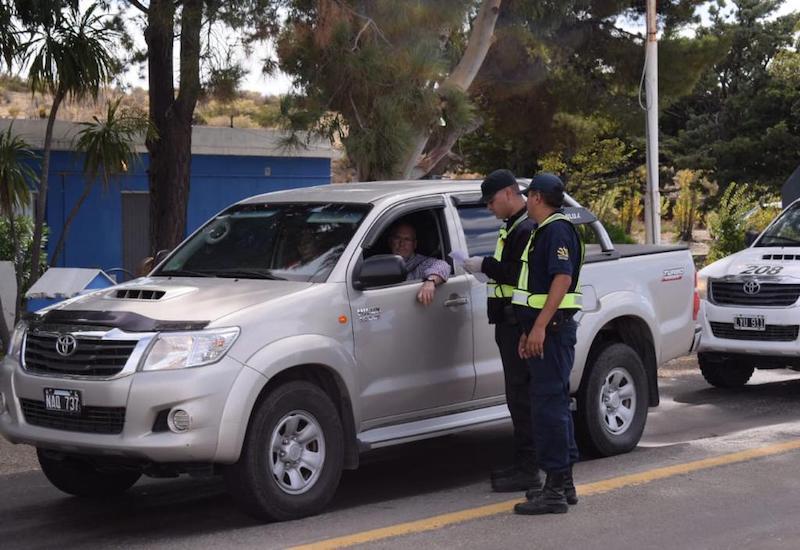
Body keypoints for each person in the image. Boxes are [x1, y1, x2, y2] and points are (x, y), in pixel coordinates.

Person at [462, 169, 540, 493]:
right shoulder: (512, 225)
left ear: (509, 193)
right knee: (517, 398)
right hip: (509, 324)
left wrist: (482, 265)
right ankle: (525, 464)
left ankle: (530, 469)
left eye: (492, 201)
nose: (489, 208)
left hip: (517, 325)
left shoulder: (524, 228)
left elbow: (512, 273)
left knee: (523, 399)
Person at [511, 172, 584, 515]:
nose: (525, 202)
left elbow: (562, 278)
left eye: (528, 196)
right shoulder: (546, 229)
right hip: (546, 331)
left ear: (538, 197)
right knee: (552, 404)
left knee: (548, 408)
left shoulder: (556, 229)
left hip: (552, 333)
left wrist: (539, 326)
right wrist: (529, 328)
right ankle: (563, 483)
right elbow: (535, 289)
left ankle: (554, 490)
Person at [388, 222, 450, 305]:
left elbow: (443, 265)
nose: (402, 244)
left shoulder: (423, 263)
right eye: (397, 238)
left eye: (407, 239)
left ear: (415, 244)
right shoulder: (380, 262)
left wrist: (430, 282)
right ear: (390, 241)